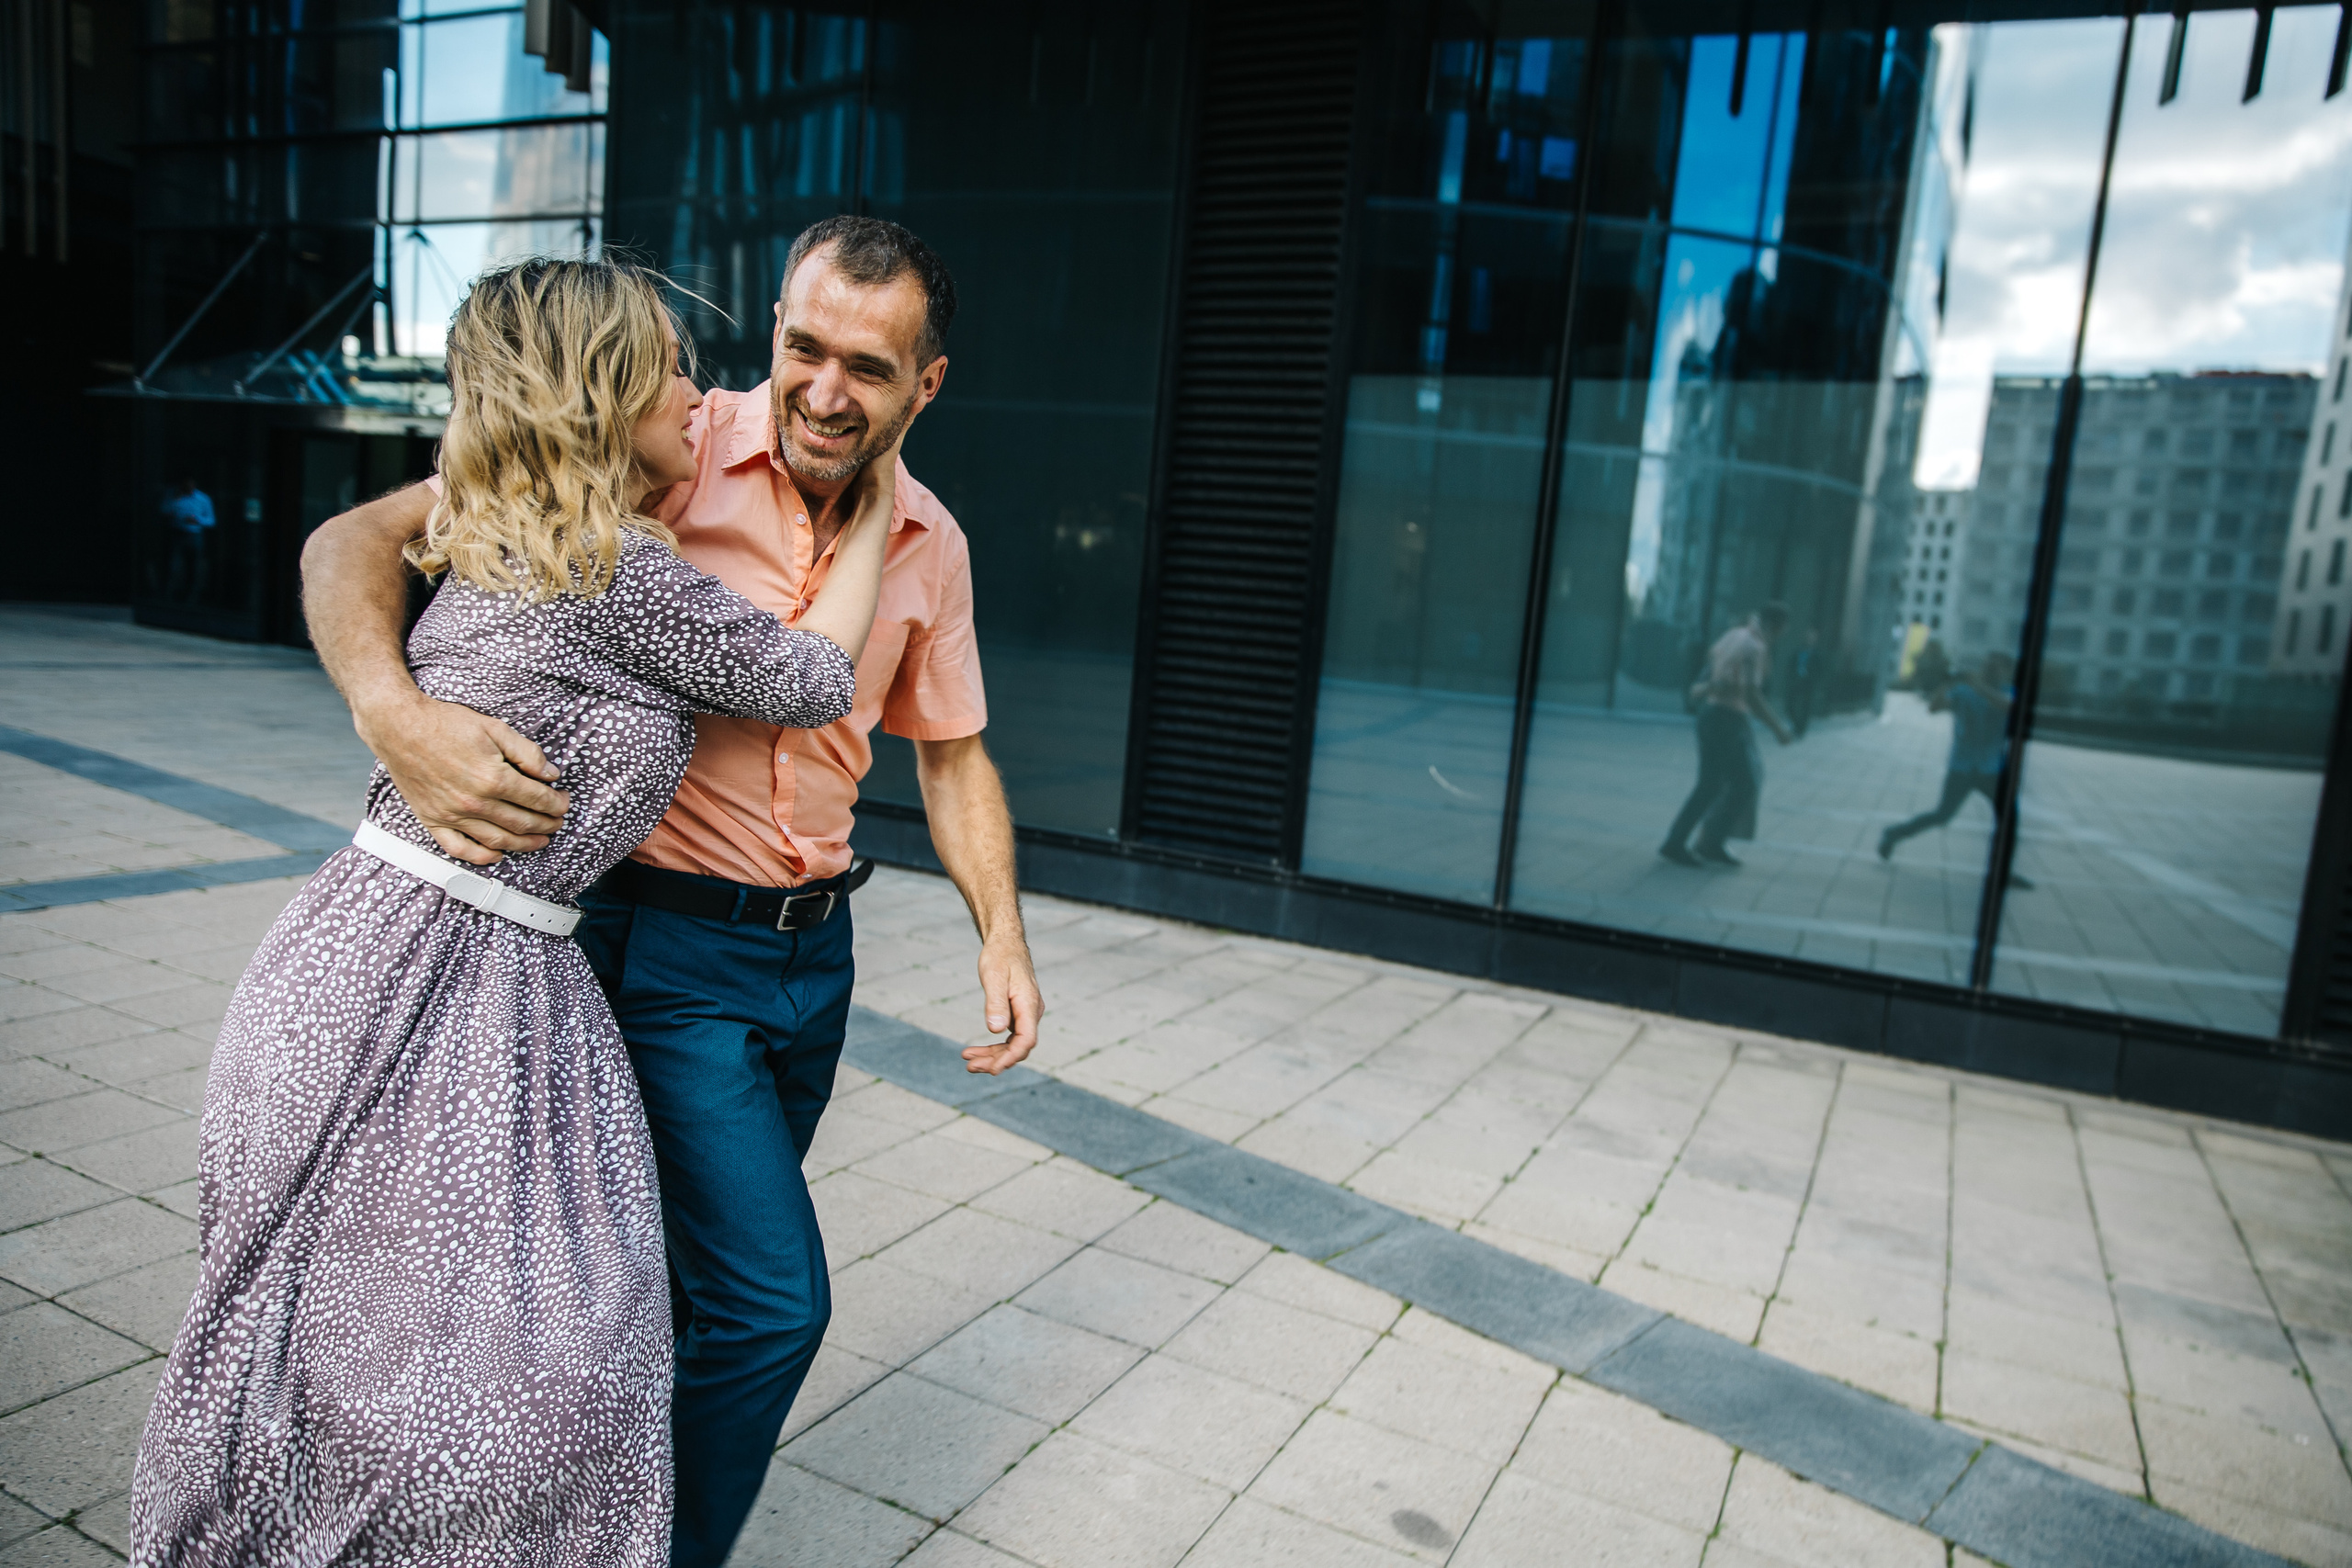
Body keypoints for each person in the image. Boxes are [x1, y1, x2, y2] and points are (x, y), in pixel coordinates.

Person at [300, 216, 1044, 1568]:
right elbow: (361, 533)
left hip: (814, 961)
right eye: (803, 346)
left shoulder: (931, 540)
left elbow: (953, 752)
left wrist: (1003, 929)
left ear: (925, 384)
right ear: (772, 327)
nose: (824, 390)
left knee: (686, 1298)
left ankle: (570, 1521)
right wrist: (388, 708)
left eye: (868, 369)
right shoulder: (655, 438)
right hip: (657, 946)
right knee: (771, 1303)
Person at [130, 257, 896, 1565]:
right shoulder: (615, 572)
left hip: (367, 950)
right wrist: (877, 509)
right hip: (440, 974)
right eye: (664, 362)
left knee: (306, 1321)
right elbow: (813, 674)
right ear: (599, 392)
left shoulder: (502, 521)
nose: (695, 388)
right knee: (520, 1377)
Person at [1878, 650, 2032, 889]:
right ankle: (1893, 834)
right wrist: (1946, 684)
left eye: (1998, 667)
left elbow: (2010, 708)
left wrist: (1978, 685)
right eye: (1988, 664)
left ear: (2006, 671)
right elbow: (1935, 708)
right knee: (1942, 815)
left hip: (1991, 769)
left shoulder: (2006, 692)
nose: (1991, 670)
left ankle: (2003, 871)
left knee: (2008, 819)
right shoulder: (1964, 690)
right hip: (1962, 767)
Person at [1659, 602, 1792, 869]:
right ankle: (1700, 842)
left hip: (1712, 715)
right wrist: (1777, 728)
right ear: (1776, 626)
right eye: (1782, 630)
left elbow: (1712, 664)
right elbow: (1751, 695)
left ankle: (1696, 841)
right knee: (1742, 782)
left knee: (1715, 783)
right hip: (1728, 719)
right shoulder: (1754, 647)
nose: (1780, 636)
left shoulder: (1735, 634)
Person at [161, 478, 215, 602]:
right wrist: (175, 501)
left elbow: (211, 520)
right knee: (174, 566)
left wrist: (198, 521)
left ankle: (191, 598)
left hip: (194, 535)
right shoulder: (173, 495)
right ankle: (168, 597)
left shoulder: (203, 499)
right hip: (177, 534)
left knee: (194, 567)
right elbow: (163, 510)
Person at [1786, 626, 1821, 738]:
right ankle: (1796, 725)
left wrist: (1815, 682)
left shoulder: (1817, 655)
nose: (1809, 639)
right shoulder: (1798, 651)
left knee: (1805, 707)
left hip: (1808, 684)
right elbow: (1791, 665)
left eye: (1812, 637)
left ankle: (1800, 730)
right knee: (1790, 705)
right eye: (1807, 637)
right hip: (1796, 681)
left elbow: (1819, 670)